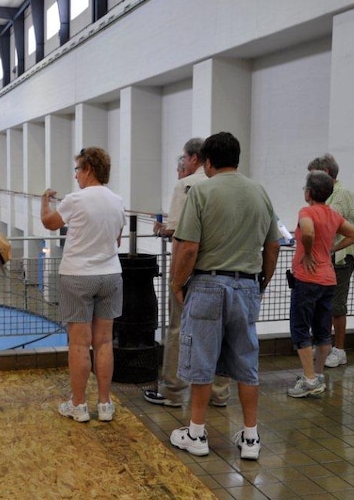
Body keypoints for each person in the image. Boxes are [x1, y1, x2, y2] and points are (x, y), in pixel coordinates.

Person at [168, 132, 279, 461]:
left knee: (201, 358)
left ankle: (197, 433)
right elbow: (273, 245)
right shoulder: (260, 192)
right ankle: (250, 437)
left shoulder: (200, 190)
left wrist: (178, 283)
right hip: (246, 286)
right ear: (237, 158)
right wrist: (261, 282)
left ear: (207, 162)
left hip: (207, 285)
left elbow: (188, 247)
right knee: (247, 363)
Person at [145, 138, 231, 408]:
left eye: (184, 157)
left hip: (189, 269)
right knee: (220, 331)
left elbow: (179, 230)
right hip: (223, 269)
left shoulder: (187, 185)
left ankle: (173, 390)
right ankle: (220, 392)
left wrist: (162, 230)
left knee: (179, 329)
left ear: (195, 158)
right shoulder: (229, 187)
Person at [41, 147, 125, 422]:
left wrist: (45, 201)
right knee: (103, 342)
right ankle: (104, 404)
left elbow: (49, 223)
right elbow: (117, 240)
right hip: (111, 275)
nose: (76, 175)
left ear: (88, 168)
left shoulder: (76, 199)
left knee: (79, 343)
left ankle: (78, 405)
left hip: (78, 276)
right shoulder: (117, 201)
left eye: (77, 169)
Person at [287, 171, 354, 399]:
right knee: (321, 330)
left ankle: (308, 379)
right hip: (328, 279)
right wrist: (330, 249)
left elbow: (307, 230)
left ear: (308, 192)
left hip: (307, 279)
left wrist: (308, 252)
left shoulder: (307, 211)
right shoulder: (332, 215)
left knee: (300, 328)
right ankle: (317, 375)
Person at [307, 154, 354, 368]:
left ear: (325, 173)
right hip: (324, 259)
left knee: (337, 306)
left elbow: (330, 220)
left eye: (312, 176)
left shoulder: (341, 193)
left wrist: (332, 248)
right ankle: (323, 346)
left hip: (340, 259)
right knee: (324, 306)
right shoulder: (328, 196)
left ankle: (339, 349)